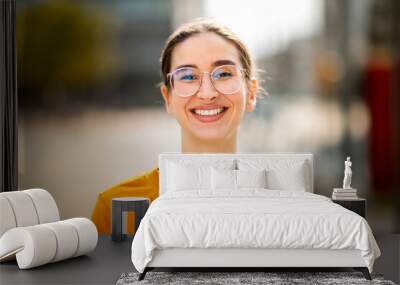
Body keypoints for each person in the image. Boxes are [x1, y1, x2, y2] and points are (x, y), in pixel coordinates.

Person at [91, 18, 263, 234]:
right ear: (168, 98)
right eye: (188, 76)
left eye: (224, 74)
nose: (207, 93)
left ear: (252, 93)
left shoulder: (281, 203)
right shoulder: (116, 208)